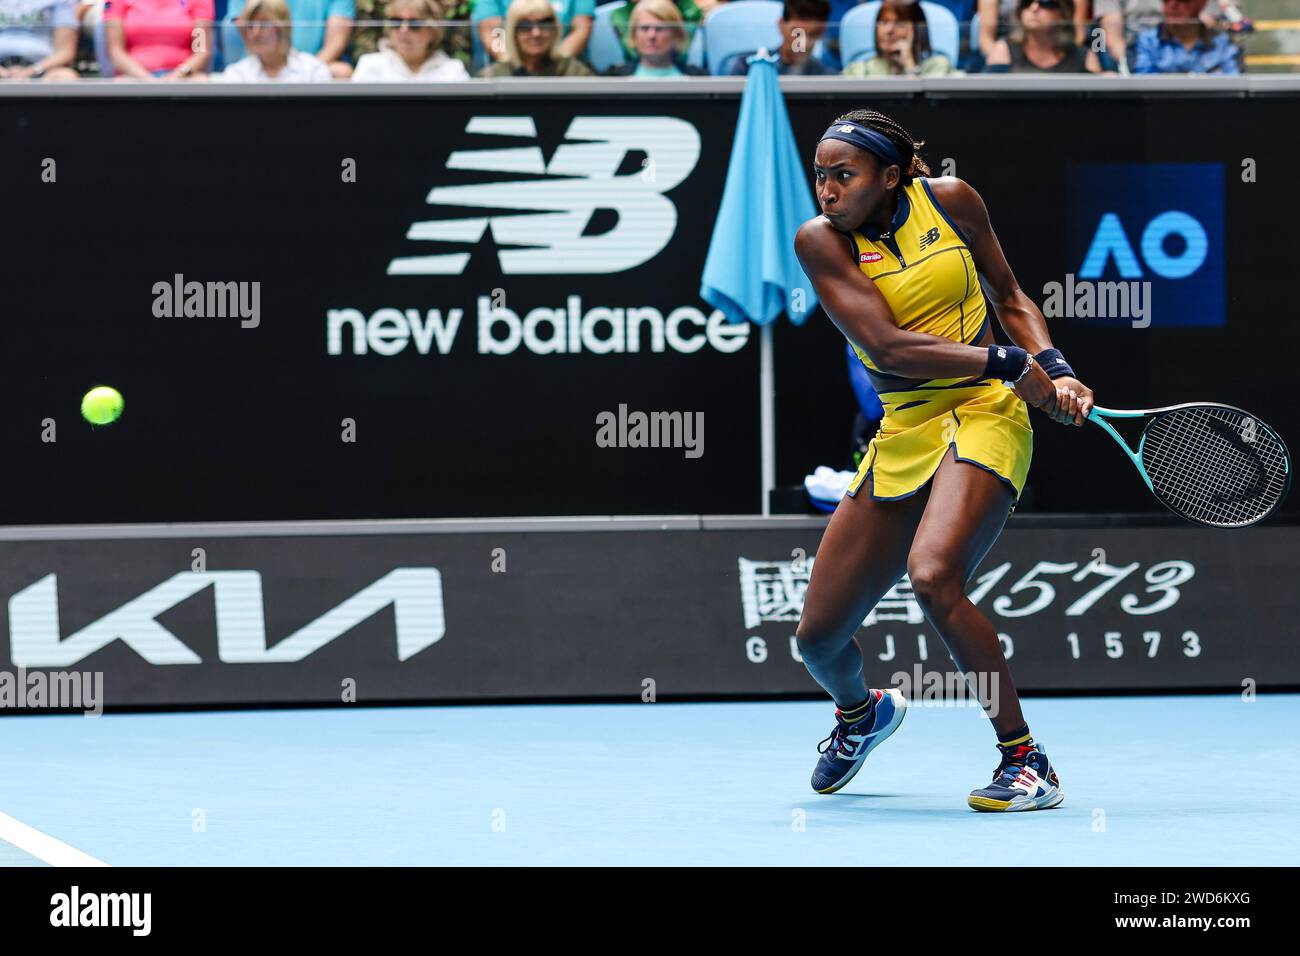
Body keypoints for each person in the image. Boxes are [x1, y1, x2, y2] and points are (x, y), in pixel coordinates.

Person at [792, 109, 1094, 811]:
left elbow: (1010, 294)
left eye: (844, 175)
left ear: (891, 176)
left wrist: (1055, 366)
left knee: (932, 575)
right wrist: (1011, 359)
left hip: (986, 413)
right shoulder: (821, 243)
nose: (827, 191)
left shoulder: (953, 201)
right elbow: (890, 349)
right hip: (907, 425)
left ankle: (1026, 761)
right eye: (820, 176)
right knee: (817, 640)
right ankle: (862, 714)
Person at [225, 0, 356, 78]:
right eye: (253, 25)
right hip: (251, 75)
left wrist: (306, 71)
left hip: (306, 73)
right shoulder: (236, 74)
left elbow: (335, 42)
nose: (256, 32)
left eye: (265, 24)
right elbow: (244, 26)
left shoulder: (313, 71)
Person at [352, 0, 470, 78]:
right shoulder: (370, 66)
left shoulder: (453, 71)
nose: (404, 29)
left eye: (414, 24)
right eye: (396, 22)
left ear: (433, 31)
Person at [984, 0, 1103, 73]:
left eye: (1045, 2)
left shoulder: (1085, 57)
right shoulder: (1004, 51)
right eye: (1027, 2)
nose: (1034, 8)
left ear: (1063, 12)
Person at [104, 0, 214, 78]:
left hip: (184, 77)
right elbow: (116, 51)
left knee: (201, 82)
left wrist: (176, 77)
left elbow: (201, 51)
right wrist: (147, 80)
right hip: (133, 76)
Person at [478, 0, 591, 75]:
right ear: (513, 32)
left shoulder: (578, 74)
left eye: (544, 24)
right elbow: (490, 31)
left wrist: (557, 63)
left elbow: (582, 28)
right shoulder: (491, 76)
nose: (536, 33)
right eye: (525, 26)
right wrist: (516, 65)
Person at [842, 0, 953, 75]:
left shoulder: (937, 67)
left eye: (899, 23)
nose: (889, 30)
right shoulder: (859, 71)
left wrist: (910, 66)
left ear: (915, 29)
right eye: (884, 22)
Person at [725, 0, 830, 75]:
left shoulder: (825, 76)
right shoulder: (747, 66)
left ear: (822, 32)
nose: (804, 43)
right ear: (781, 25)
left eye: (812, 34)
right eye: (797, 33)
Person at [1133, 0, 1239, 73]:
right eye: (1166, 0)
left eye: (1183, 0)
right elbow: (1143, 85)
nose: (1173, 5)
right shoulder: (1148, 40)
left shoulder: (1222, 43)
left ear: (1200, 4)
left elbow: (1234, 84)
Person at [605, 0, 704, 76]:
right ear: (633, 35)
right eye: (644, 28)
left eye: (660, 29)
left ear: (675, 34)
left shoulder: (700, 79)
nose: (651, 36)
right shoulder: (612, 77)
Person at [0, 0, 80, 80]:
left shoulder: (60, 2)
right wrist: (3, 72)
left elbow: (65, 51)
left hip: (43, 68)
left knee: (65, 77)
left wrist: (32, 71)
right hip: (1, 66)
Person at [610, 0, 700, 57]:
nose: (651, 35)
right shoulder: (621, 15)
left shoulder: (688, 9)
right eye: (645, 28)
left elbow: (681, 52)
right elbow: (635, 53)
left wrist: (664, 8)